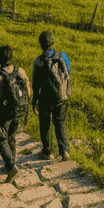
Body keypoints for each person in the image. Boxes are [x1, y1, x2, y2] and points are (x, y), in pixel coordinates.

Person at [0, 45, 30, 184]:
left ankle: (10, 166)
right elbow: (28, 89)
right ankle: (11, 162)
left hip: (3, 113)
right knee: (11, 137)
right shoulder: (20, 71)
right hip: (19, 110)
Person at [31, 30, 71, 161]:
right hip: (62, 95)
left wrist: (34, 100)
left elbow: (35, 84)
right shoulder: (62, 56)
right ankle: (65, 152)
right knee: (60, 122)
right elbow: (68, 72)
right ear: (52, 42)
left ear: (41, 44)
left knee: (45, 124)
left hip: (45, 97)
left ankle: (48, 151)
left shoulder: (38, 61)